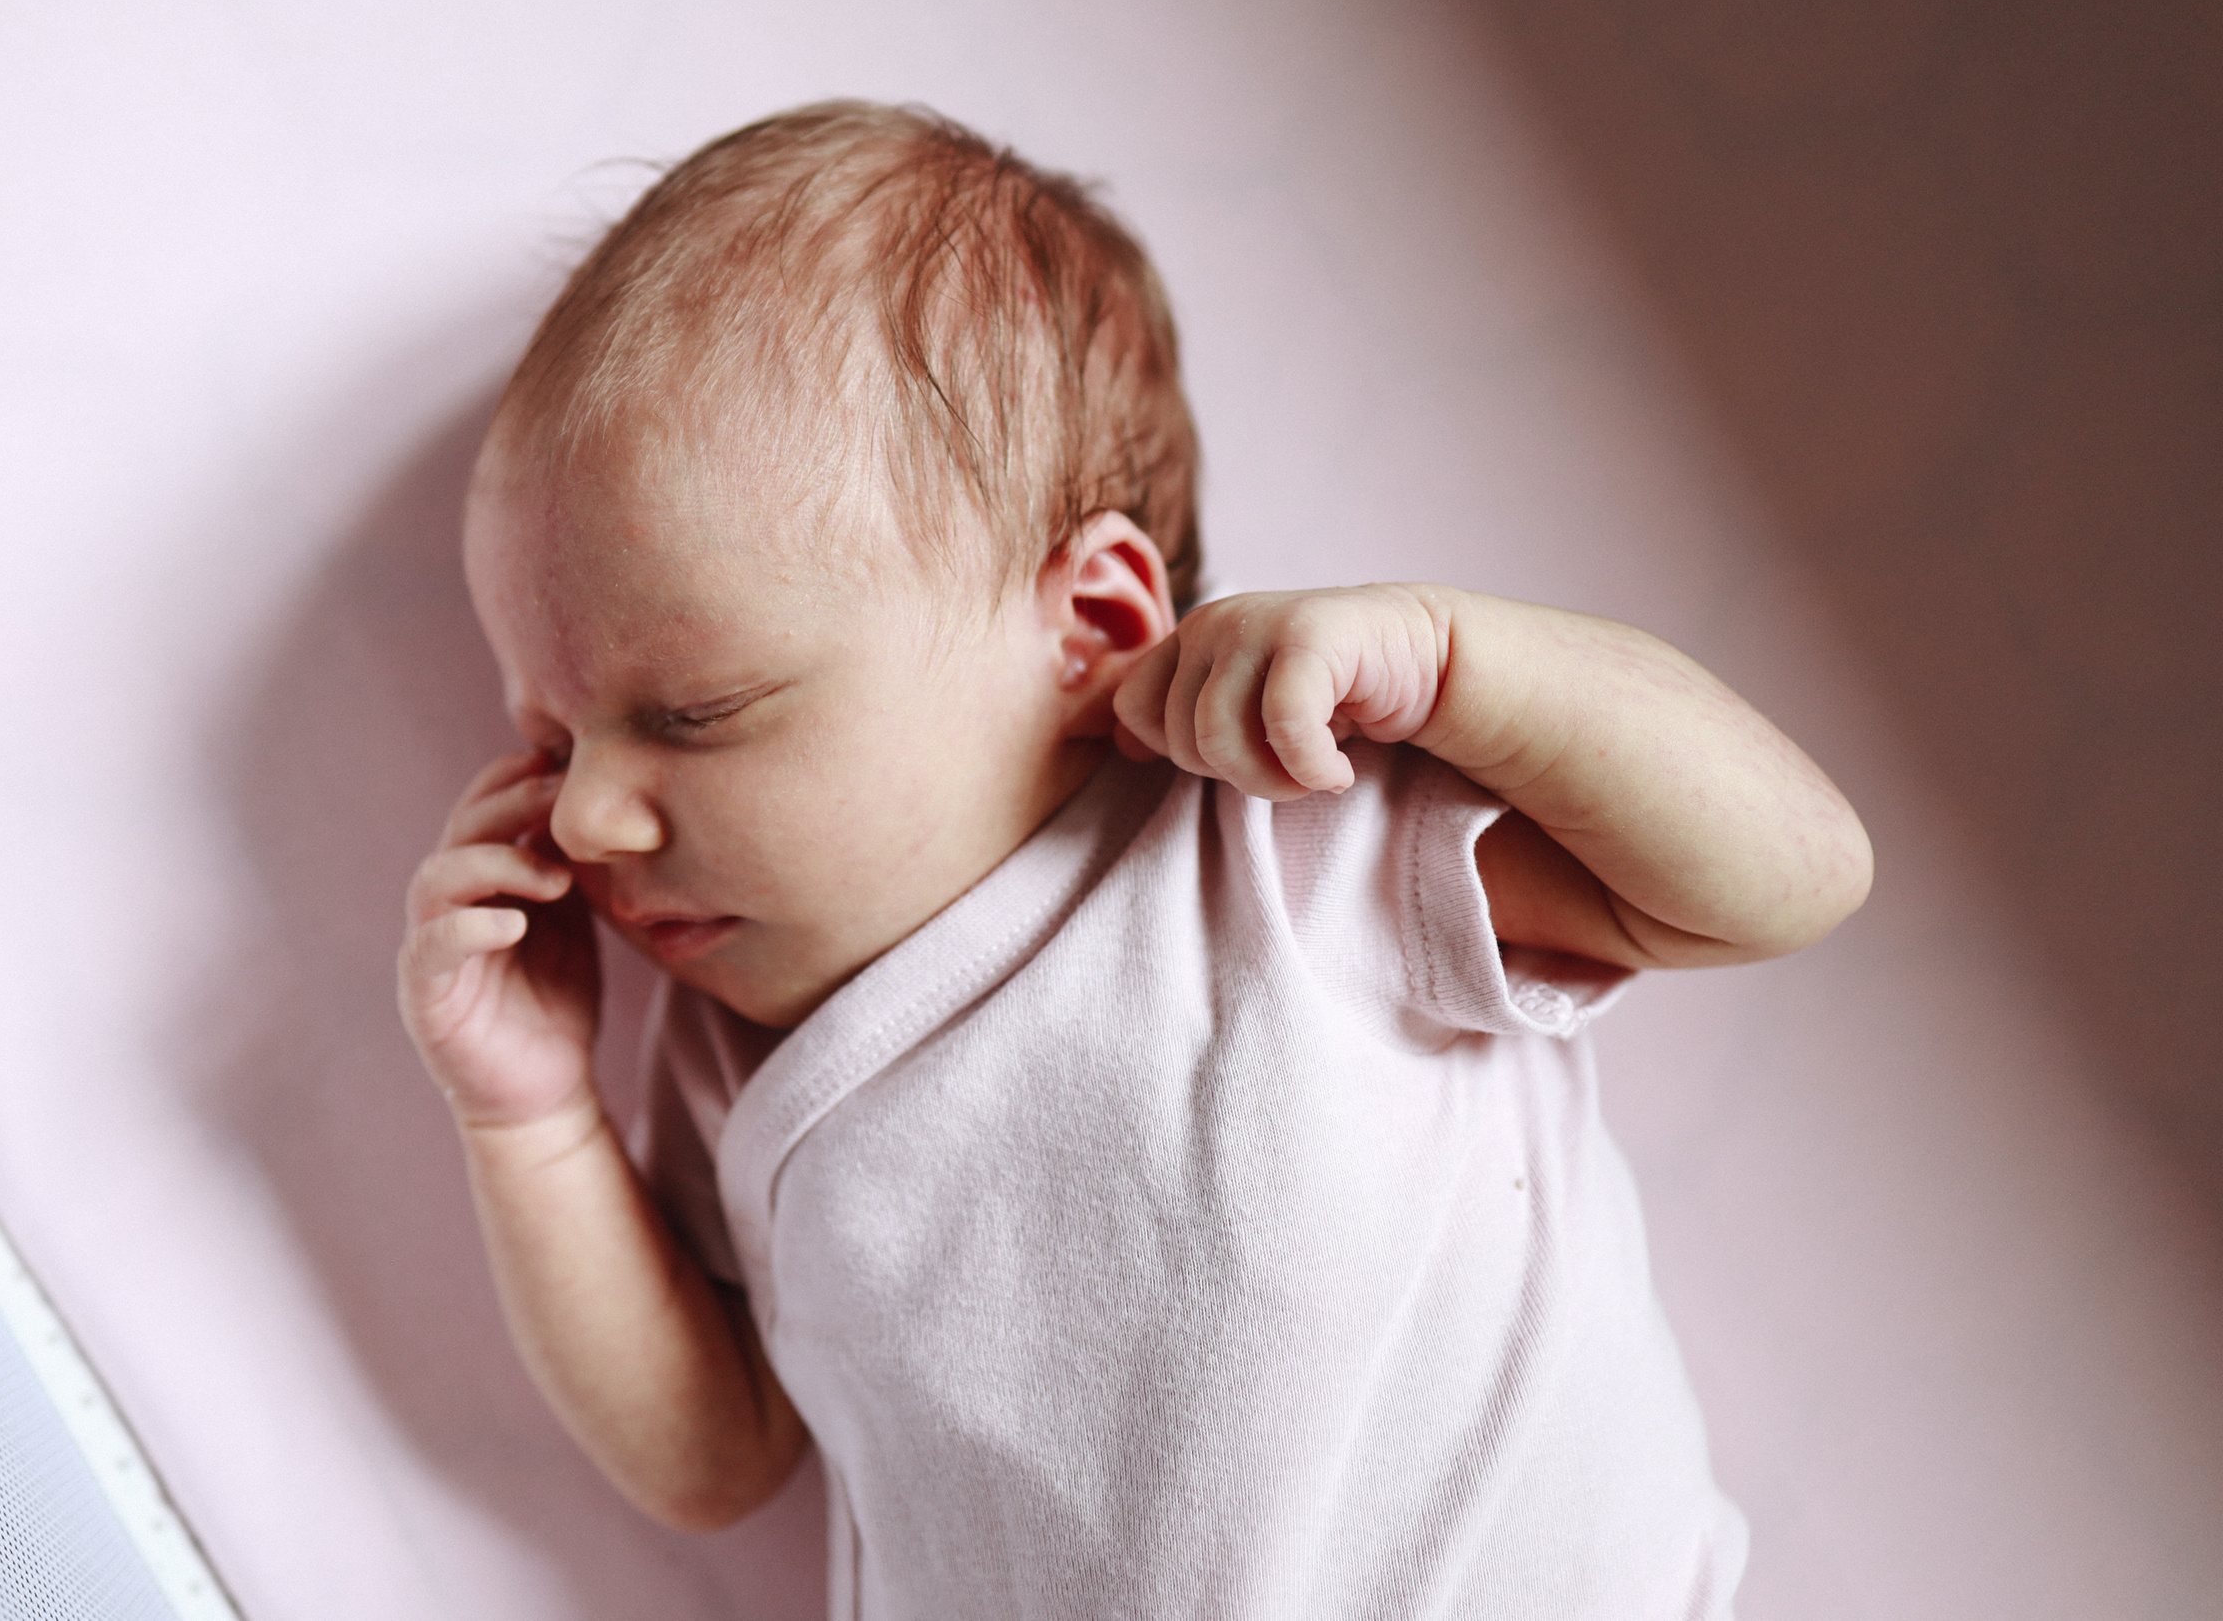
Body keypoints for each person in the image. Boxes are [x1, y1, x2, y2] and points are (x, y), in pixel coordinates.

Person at [397, 100, 1870, 1619]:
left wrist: (1452, 667)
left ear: (1094, 626)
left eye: (695, 713)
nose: (585, 818)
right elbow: (715, 1457)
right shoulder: (737, 1067)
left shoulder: (1282, 834)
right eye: (551, 740)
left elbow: (1793, 874)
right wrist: (531, 1121)